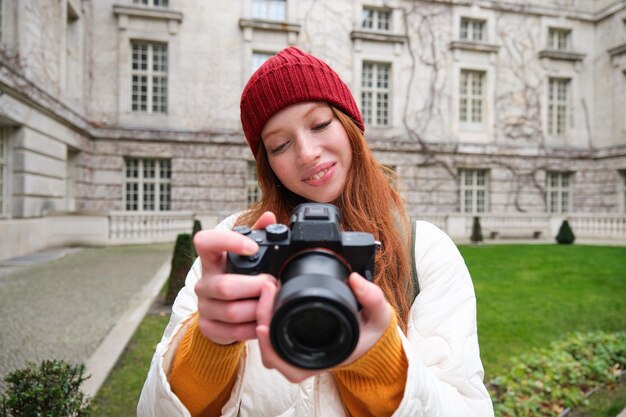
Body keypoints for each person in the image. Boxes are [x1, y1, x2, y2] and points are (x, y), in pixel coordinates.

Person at [138, 46, 494, 417]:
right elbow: (151, 411)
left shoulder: (425, 251)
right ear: (267, 164)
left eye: (320, 124)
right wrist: (209, 344)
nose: (307, 153)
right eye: (280, 145)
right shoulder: (238, 244)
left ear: (350, 125)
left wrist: (379, 360)